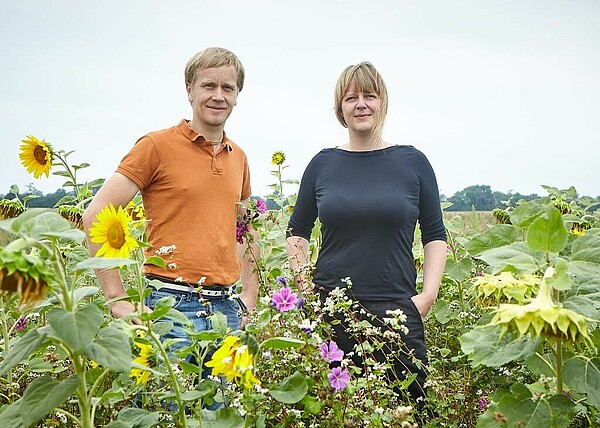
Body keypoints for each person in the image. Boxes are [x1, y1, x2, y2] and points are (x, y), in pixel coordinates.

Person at [286, 61, 447, 404]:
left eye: (369, 95)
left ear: (382, 102)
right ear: (340, 108)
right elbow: (296, 233)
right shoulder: (322, 164)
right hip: (333, 312)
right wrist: (308, 293)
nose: (361, 104)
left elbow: (435, 234)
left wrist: (427, 296)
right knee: (336, 421)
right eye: (351, 97)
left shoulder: (412, 162)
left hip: (397, 312)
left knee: (411, 419)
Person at [83, 47, 259, 355]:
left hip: (227, 311)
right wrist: (117, 298)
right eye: (208, 86)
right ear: (189, 90)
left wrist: (249, 296)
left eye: (227, 88)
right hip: (171, 307)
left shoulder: (239, 157)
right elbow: (97, 213)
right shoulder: (156, 146)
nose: (218, 95)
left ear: (237, 96)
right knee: (166, 402)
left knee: (223, 404)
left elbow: (246, 228)